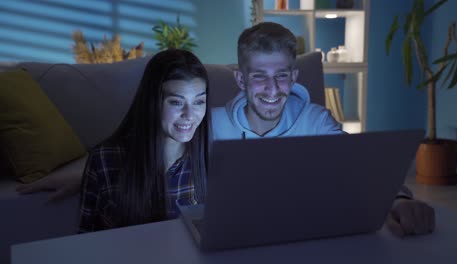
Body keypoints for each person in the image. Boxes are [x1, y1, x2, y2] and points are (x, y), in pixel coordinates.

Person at [211, 22, 435, 237]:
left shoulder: (316, 120)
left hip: (305, 236)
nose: (273, 89)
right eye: (259, 76)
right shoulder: (212, 126)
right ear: (241, 80)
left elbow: (359, 167)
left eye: (281, 75)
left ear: (294, 77)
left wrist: (399, 200)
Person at [78, 49, 208, 232]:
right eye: (176, 102)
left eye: (199, 102)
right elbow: (85, 236)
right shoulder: (106, 159)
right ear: (153, 101)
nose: (189, 115)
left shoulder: (209, 156)